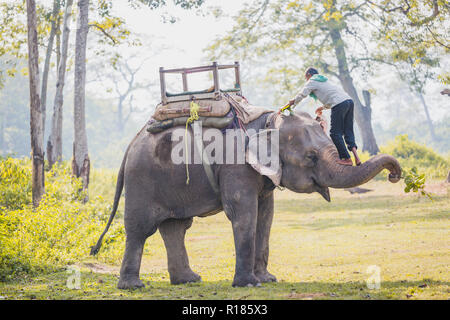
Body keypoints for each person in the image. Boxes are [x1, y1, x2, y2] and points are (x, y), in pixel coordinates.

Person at [288, 67, 361, 166]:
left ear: (309, 74)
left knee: (335, 133)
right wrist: (322, 108)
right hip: (349, 101)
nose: (306, 80)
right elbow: (332, 97)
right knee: (348, 131)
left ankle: (347, 159)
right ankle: (357, 158)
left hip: (339, 104)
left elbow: (302, 94)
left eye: (306, 78)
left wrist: (292, 103)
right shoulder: (324, 80)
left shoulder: (312, 80)